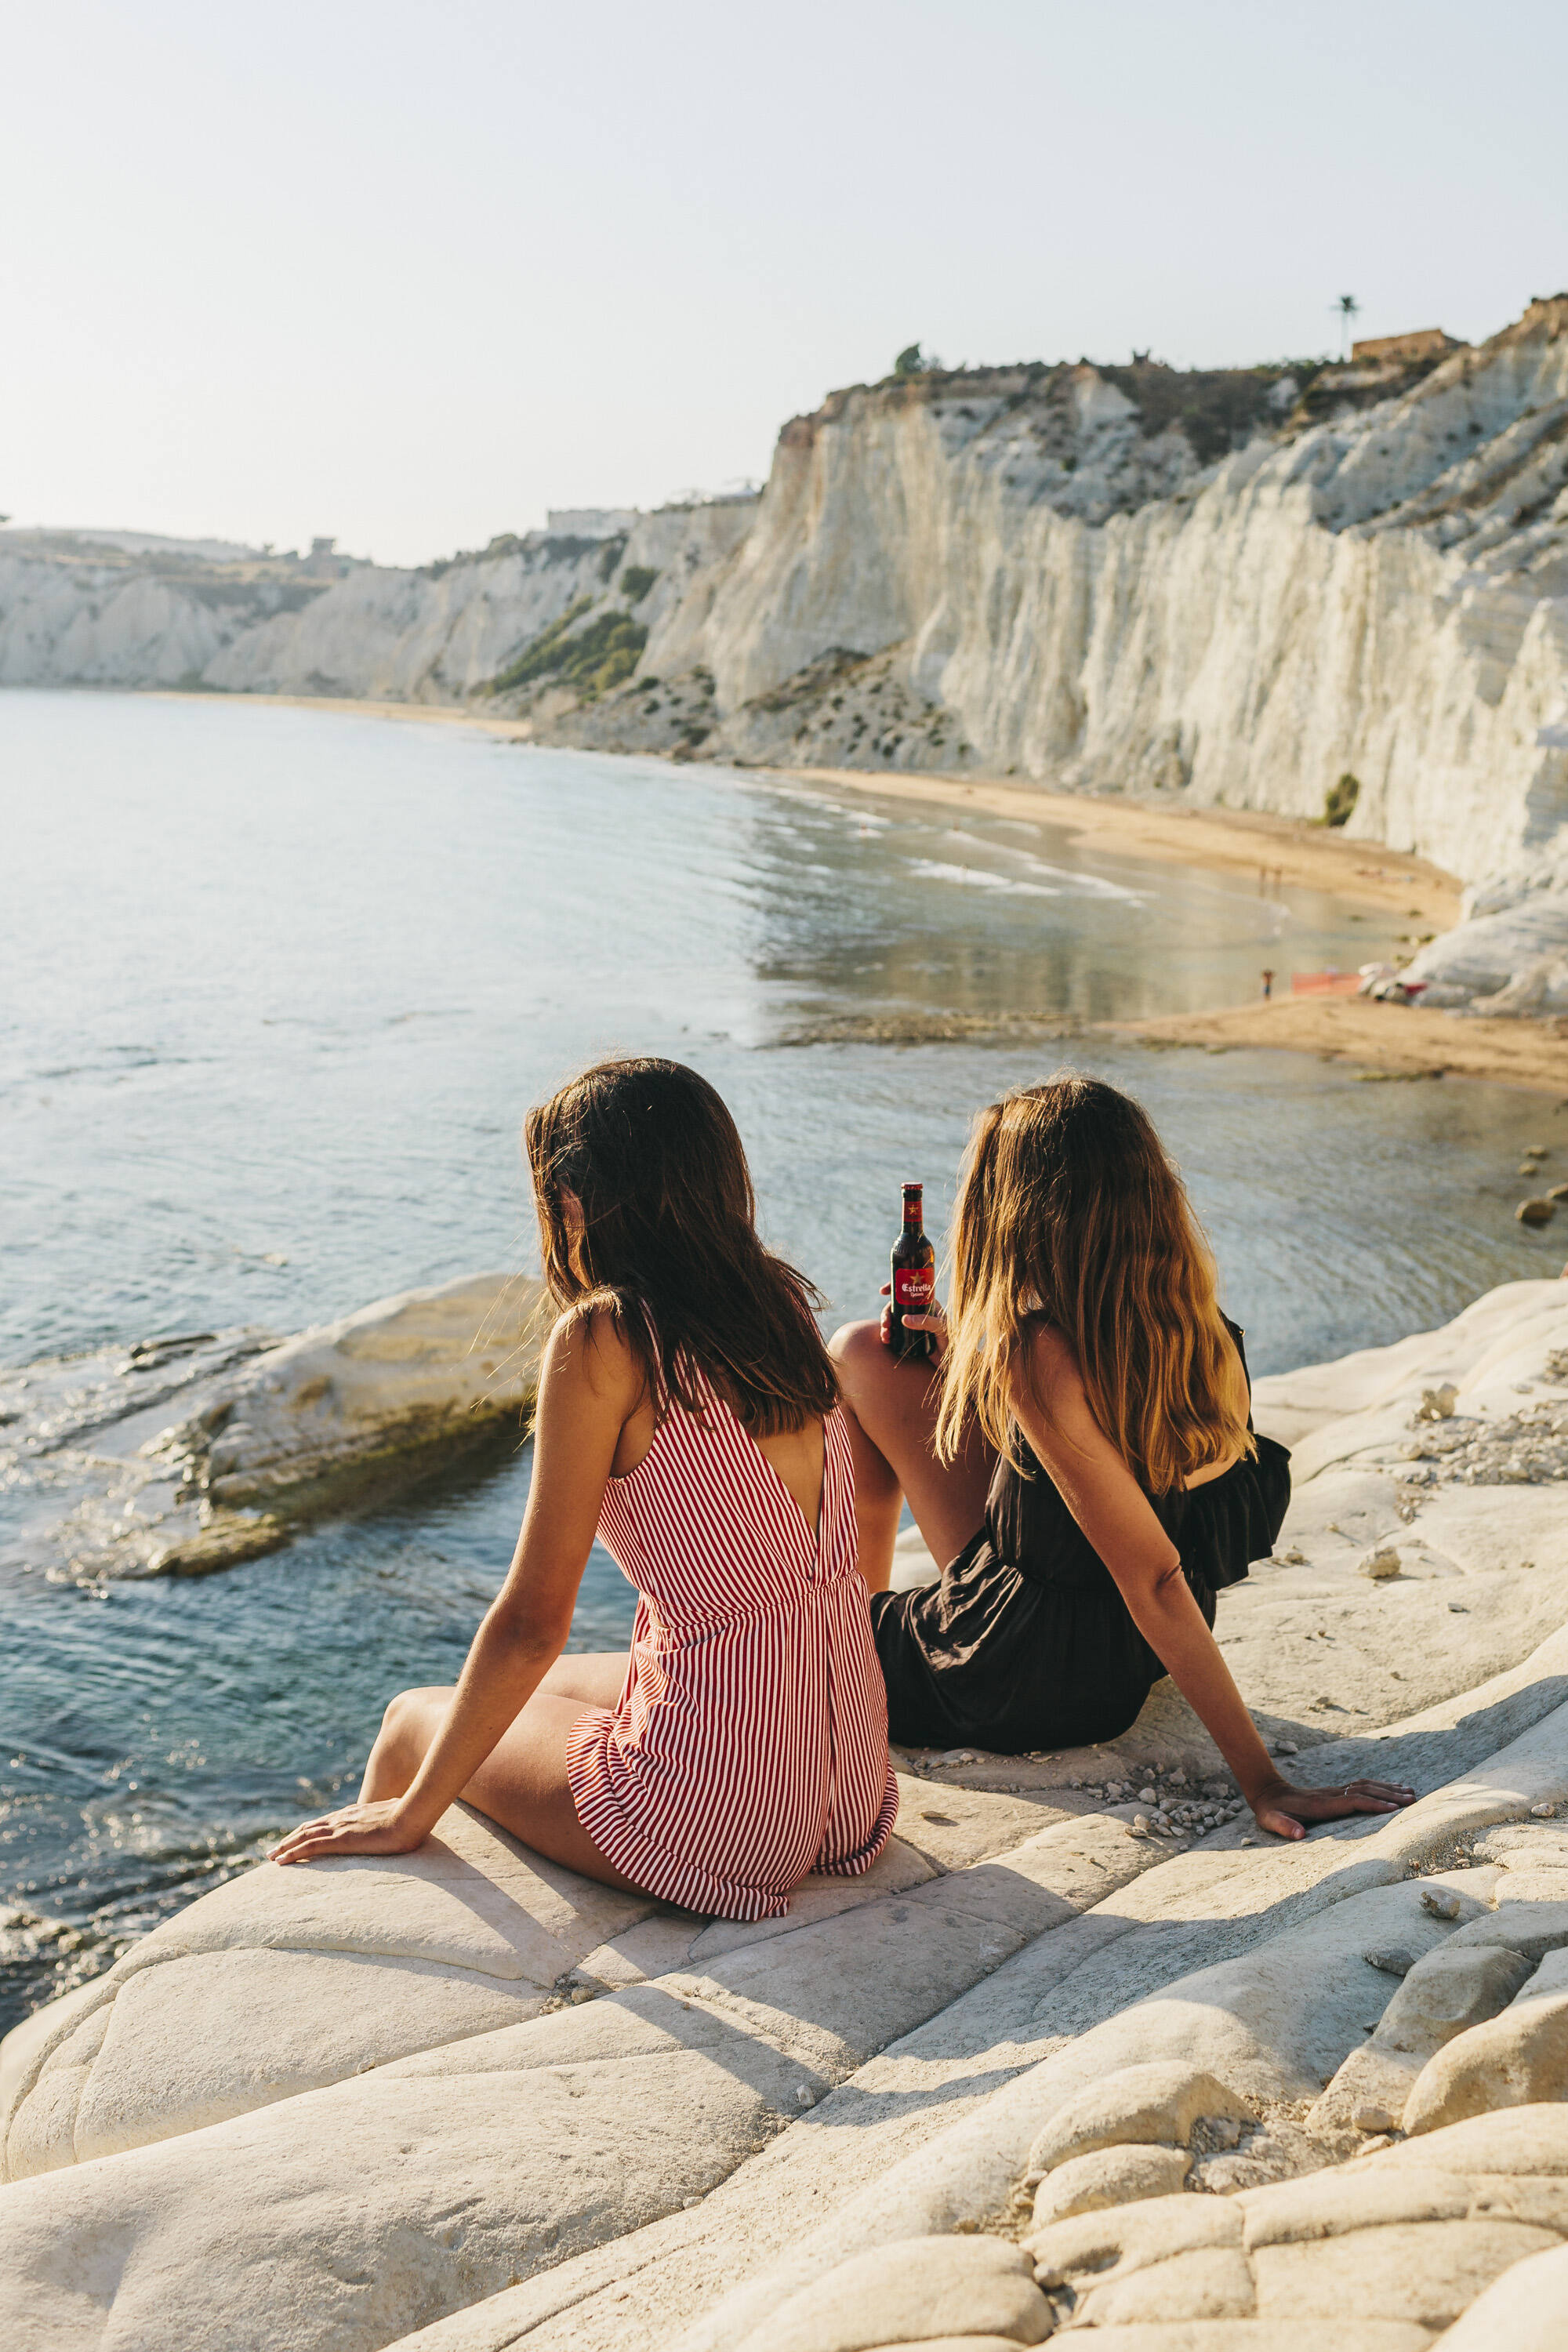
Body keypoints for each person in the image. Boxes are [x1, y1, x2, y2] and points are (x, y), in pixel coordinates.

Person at [271, 1057, 897, 1918]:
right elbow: (859, 1536)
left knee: (416, 1714)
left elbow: (532, 1621)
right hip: (853, 1792)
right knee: (555, 1687)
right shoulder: (779, 1303)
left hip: (722, 1821)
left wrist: (415, 1812)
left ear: (573, 1198)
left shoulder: (605, 1338)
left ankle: (360, 1910)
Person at [830, 1076, 1414, 1843]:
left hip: (1023, 1672)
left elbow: (1154, 1577)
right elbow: (1162, 1536)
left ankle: (846, 1629)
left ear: (1012, 1210)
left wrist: (1266, 1783)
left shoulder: (1036, 1353)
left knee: (735, 1659)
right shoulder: (1203, 1332)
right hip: (1120, 1650)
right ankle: (858, 1615)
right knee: (864, 1353)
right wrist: (954, 1351)